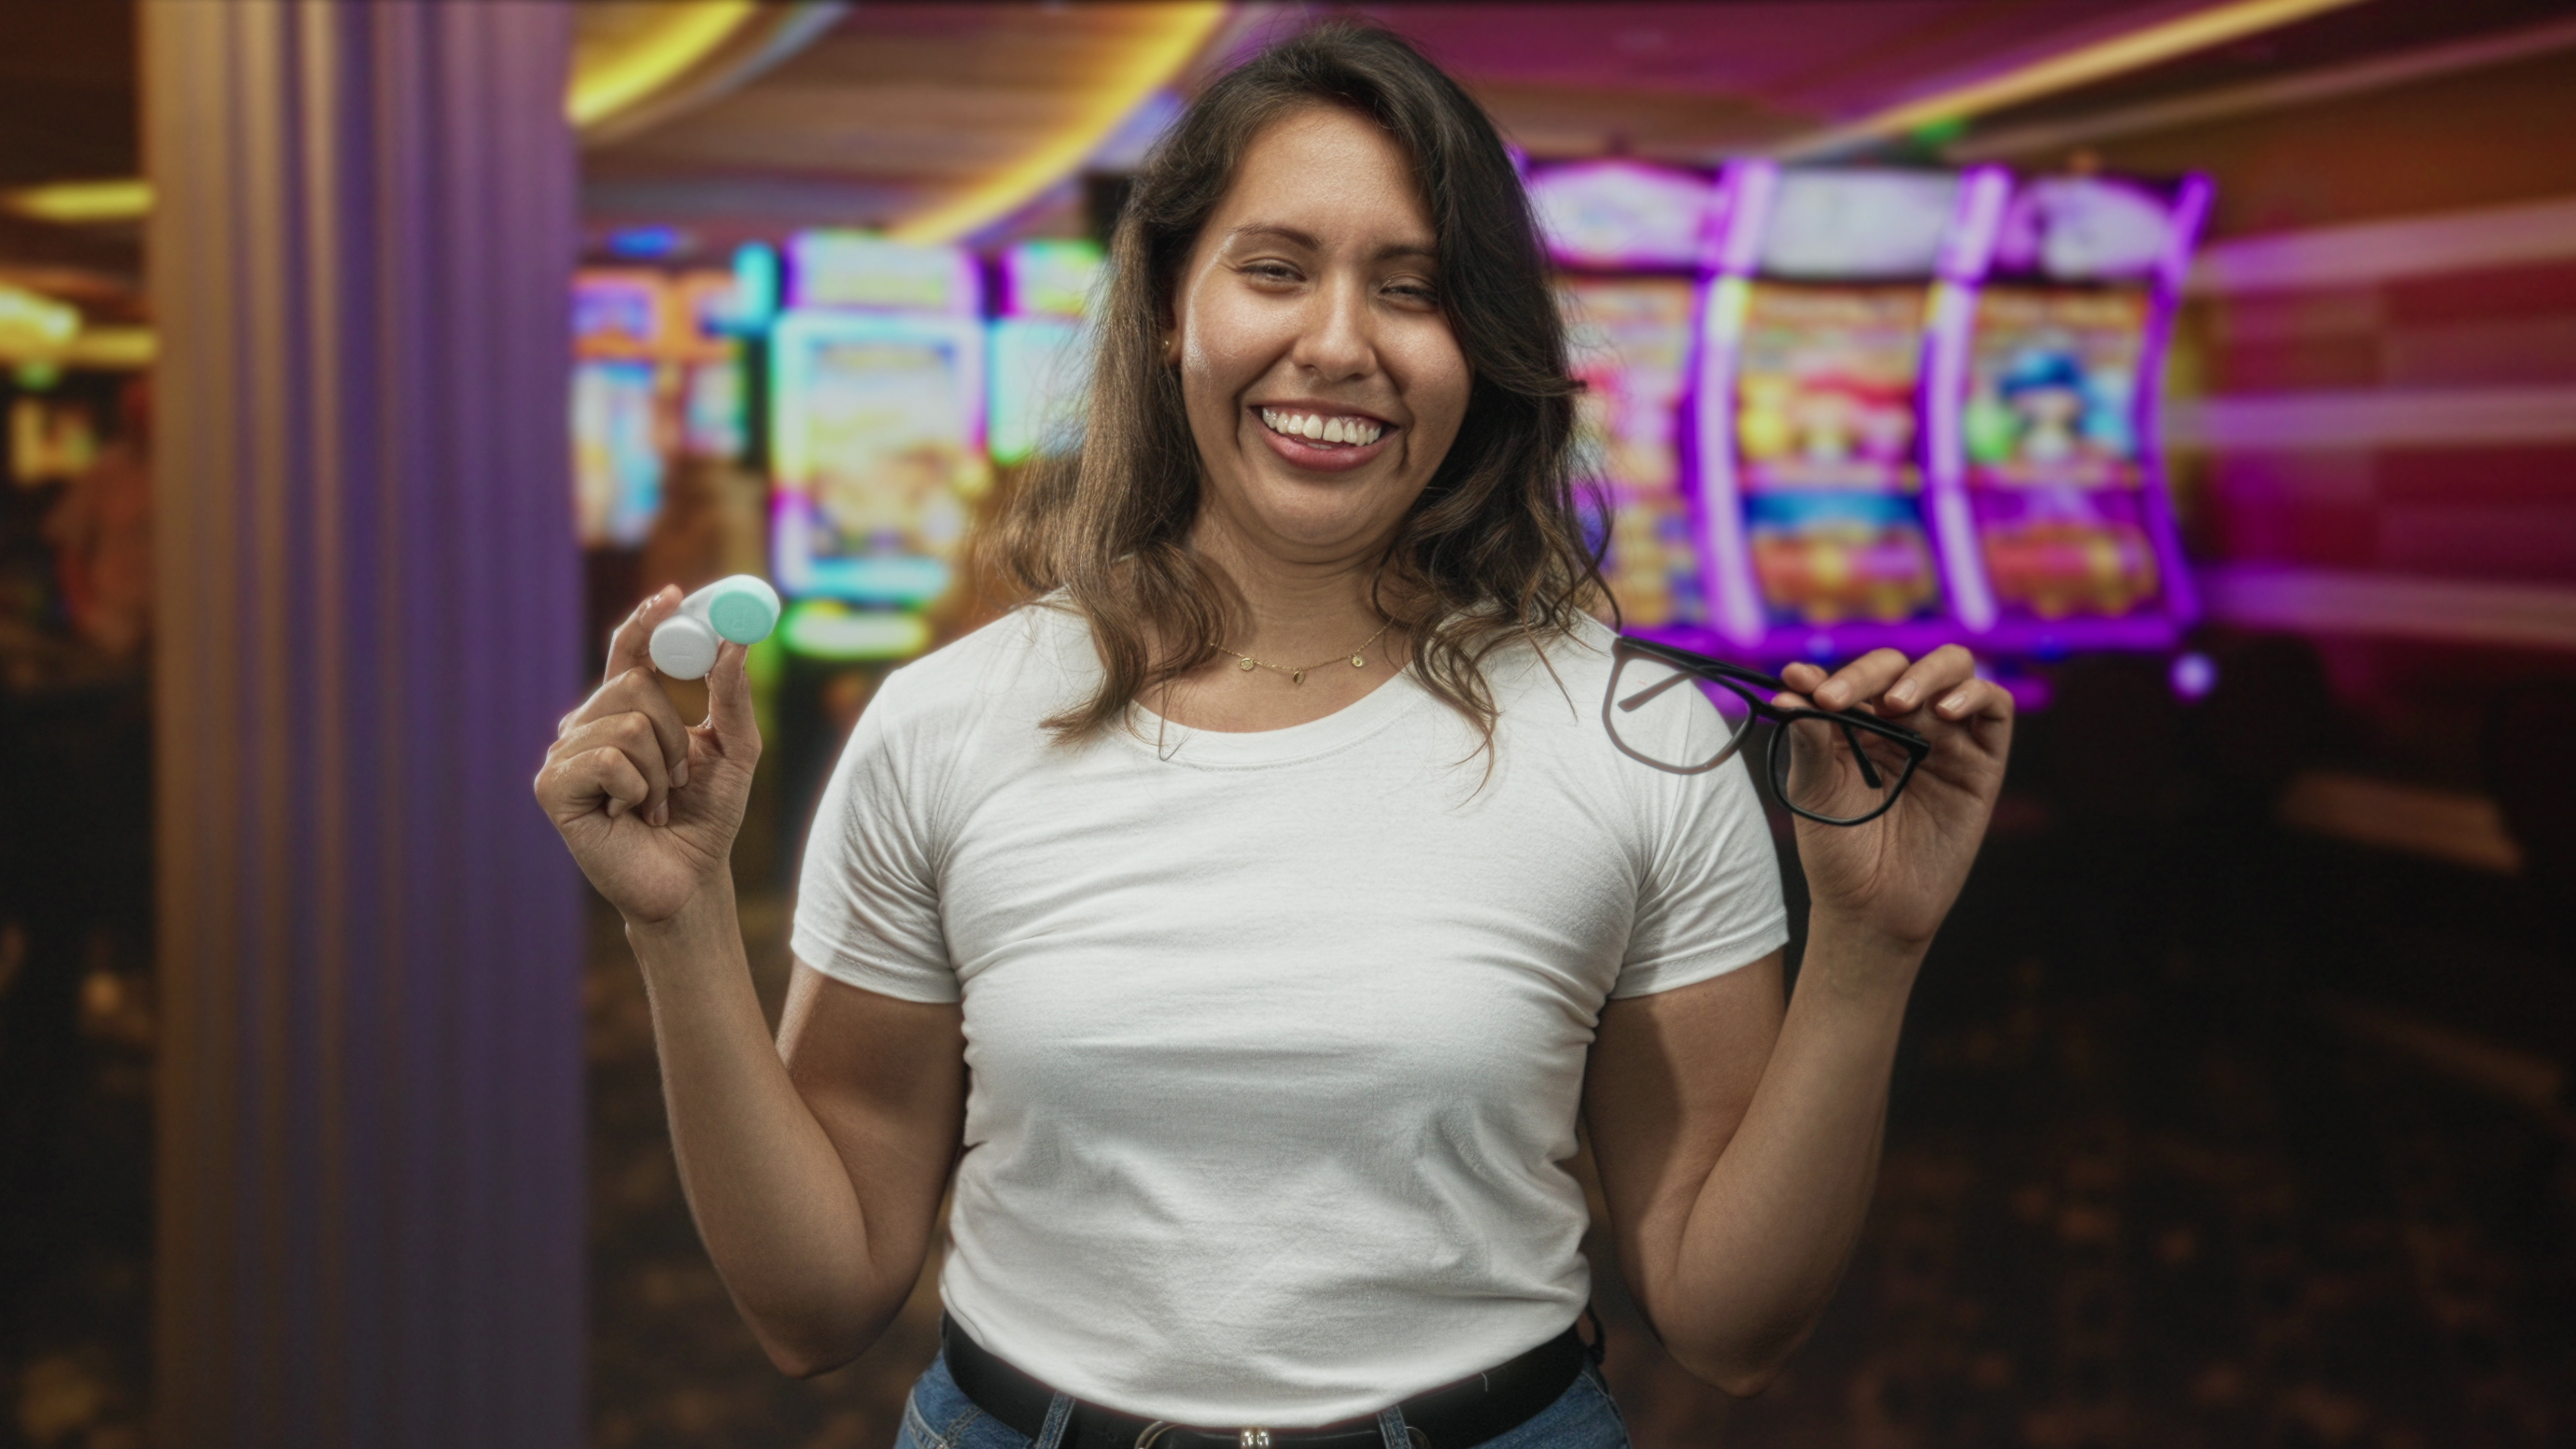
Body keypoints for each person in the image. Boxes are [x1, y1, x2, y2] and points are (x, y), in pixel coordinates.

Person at [534, 24, 2012, 1449]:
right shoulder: (945, 726)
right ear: (1173, 302)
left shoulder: (1636, 736)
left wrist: (1870, 954)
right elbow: (817, 1302)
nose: (1338, 343)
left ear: (1482, 350)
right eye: (1277, 270)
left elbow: (1731, 1323)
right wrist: (680, 932)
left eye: (1414, 289)